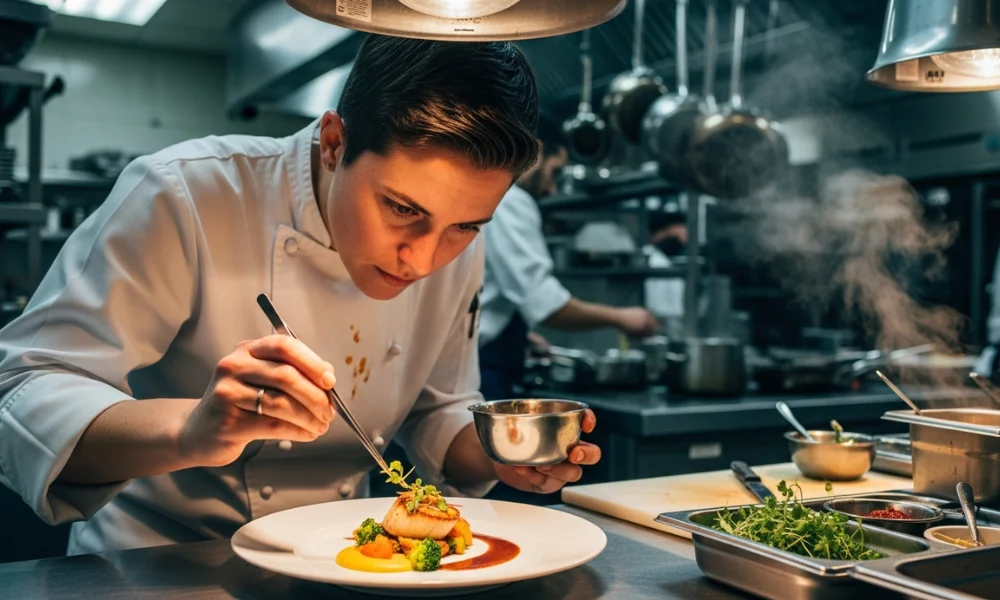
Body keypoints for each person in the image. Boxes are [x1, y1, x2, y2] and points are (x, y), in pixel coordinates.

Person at [0, 35, 601, 556]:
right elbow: (23, 390)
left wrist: (502, 455)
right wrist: (193, 428)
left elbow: (438, 409)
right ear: (334, 143)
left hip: (350, 562)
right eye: (401, 209)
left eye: (466, 226)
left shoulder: (455, 246)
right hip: (160, 564)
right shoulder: (185, 194)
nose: (424, 258)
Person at [477, 116, 661, 402]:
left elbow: (485, 293)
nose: (552, 189)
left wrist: (519, 338)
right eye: (556, 171)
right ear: (535, 152)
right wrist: (622, 318)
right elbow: (546, 305)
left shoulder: (491, 196)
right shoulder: (510, 200)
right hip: (479, 371)